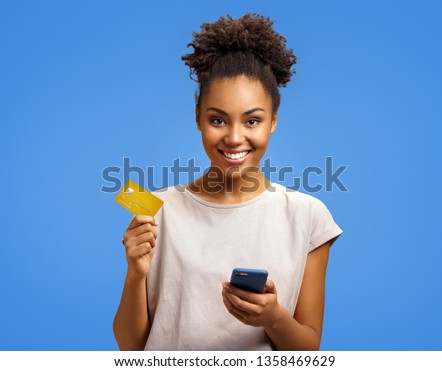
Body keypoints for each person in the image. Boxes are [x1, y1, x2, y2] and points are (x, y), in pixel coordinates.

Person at [113, 13, 343, 351]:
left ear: (273, 122)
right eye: (218, 119)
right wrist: (135, 272)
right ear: (198, 119)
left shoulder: (308, 217)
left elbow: (308, 351)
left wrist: (274, 318)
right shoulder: (156, 209)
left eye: (252, 120)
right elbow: (130, 348)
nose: (235, 138)